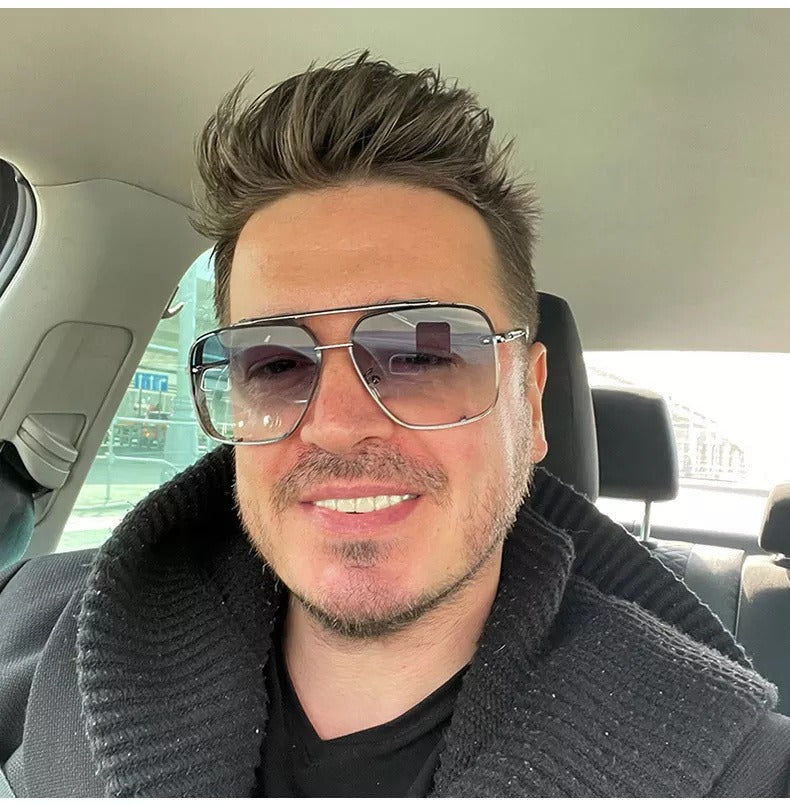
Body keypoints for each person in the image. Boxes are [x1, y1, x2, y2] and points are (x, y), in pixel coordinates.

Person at [1, 53, 789, 798]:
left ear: (529, 401)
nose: (336, 426)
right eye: (274, 364)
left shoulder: (741, 771)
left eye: (420, 355)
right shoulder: (33, 634)